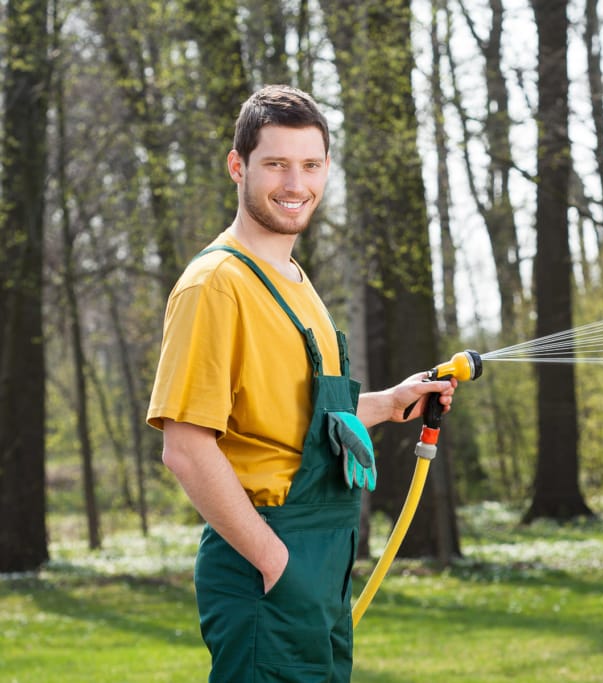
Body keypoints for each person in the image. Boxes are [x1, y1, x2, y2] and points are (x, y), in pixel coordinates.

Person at [147, 84, 456, 682]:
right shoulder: (215, 285)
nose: (296, 184)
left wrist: (390, 404)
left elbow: (294, 421)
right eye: (277, 164)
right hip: (269, 559)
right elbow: (185, 447)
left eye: (310, 165)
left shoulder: (294, 279)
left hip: (325, 561)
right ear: (238, 166)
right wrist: (274, 562)